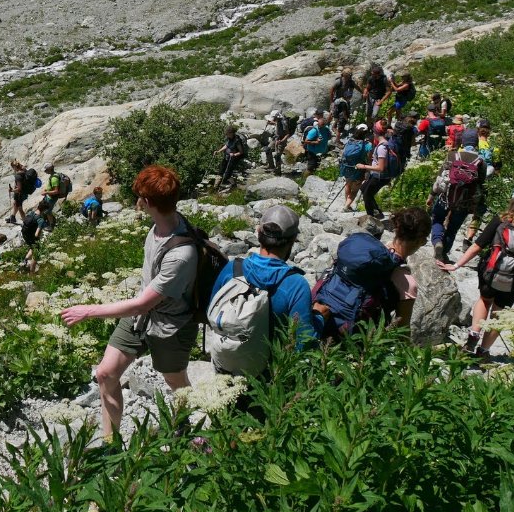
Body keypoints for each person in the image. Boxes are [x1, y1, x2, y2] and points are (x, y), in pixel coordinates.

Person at [60, 165, 199, 442]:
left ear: (147, 203)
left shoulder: (181, 253)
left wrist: (87, 311)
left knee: (176, 383)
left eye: (140, 197)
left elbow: (140, 305)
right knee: (105, 373)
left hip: (170, 325)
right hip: (141, 318)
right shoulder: (163, 223)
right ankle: (111, 442)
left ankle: (186, 427)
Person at [437, 186, 514, 362]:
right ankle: (484, 351)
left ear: (513, 201)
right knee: (499, 312)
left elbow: (477, 246)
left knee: (484, 301)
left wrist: (456, 265)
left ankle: (473, 335)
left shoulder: (501, 220)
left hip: (491, 273)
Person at [207, 205, 316, 376]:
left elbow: (211, 311)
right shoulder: (296, 284)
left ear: (258, 234)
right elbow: (303, 342)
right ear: (293, 240)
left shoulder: (233, 269)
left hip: (225, 366)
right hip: (268, 375)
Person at [313, 207, 431, 339]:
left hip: (319, 315)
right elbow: (402, 329)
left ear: (396, 229)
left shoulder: (368, 252)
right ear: (421, 240)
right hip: (352, 340)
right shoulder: (408, 283)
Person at [426, 129, 487, 262]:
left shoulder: (452, 155)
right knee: (453, 228)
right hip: (464, 202)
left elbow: (439, 178)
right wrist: (476, 204)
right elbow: (481, 185)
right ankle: (444, 254)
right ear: (476, 143)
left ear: (462, 142)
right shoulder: (481, 162)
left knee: (437, 220)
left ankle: (437, 242)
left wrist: (431, 195)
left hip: (445, 198)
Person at [355, 121, 396, 220]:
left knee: (366, 195)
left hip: (380, 177)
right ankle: (377, 211)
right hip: (378, 176)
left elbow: (380, 168)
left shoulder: (382, 147)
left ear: (375, 133)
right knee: (364, 188)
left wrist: (363, 166)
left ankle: (371, 218)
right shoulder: (386, 143)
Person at [339, 124, 372, 212]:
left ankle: (347, 204)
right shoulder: (368, 145)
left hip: (346, 168)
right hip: (359, 169)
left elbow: (343, 154)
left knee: (348, 184)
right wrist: (368, 171)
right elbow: (369, 159)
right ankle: (346, 207)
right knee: (355, 190)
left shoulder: (349, 141)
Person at [262, 110, 293, 176]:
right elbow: (277, 124)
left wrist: (281, 141)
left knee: (277, 156)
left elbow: (287, 134)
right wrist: (271, 123)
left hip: (281, 140)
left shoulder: (283, 122)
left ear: (277, 117)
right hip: (275, 138)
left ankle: (278, 171)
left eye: (273, 117)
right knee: (268, 149)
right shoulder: (278, 120)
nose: (273, 118)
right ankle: (271, 166)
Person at [7, 160, 32, 226]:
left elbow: (19, 189)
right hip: (24, 192)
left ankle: (26, 223)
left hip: (20, 194)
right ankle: (12, 217)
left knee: (20, 208)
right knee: (15, 203)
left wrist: (11, 190)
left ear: (14, 167)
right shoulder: (24, 170)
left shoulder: (18, 176)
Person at [39, 163, 62, 230]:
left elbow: (56, 191)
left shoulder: (54, 178)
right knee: (43, 208)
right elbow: (51, 187)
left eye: (46, 170)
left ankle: (51, 226)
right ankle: (50, 221)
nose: (45, 171)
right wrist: (46, 190)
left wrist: (46, 192)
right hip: (49, 196)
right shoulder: (53, 175)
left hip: (52, 197)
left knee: (48, 211)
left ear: (49, 169)